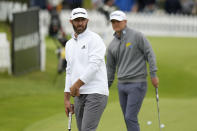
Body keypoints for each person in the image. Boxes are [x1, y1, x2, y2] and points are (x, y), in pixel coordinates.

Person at [106, 10, 159, 131]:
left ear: (125, 21)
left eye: (118, 21)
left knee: (130, 117)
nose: (115, 24)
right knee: (127, 118)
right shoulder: (112, 45)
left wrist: (153, 74)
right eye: (113, 21)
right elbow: (110, 69)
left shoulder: (136, 36)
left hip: (137, 83)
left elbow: (149, 53)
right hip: (122, 85)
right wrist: (106, 88)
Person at [64, 8, 109, 131]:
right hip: (79, 94)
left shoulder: (95, 39)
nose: (80, 23)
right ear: (71, 22)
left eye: (82, 20)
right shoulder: (69, 44)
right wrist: (67, 99)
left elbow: (94, 66)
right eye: (77, 20)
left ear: (87, 20)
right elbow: (69, 71)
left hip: (96, 91)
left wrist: (76, 85)